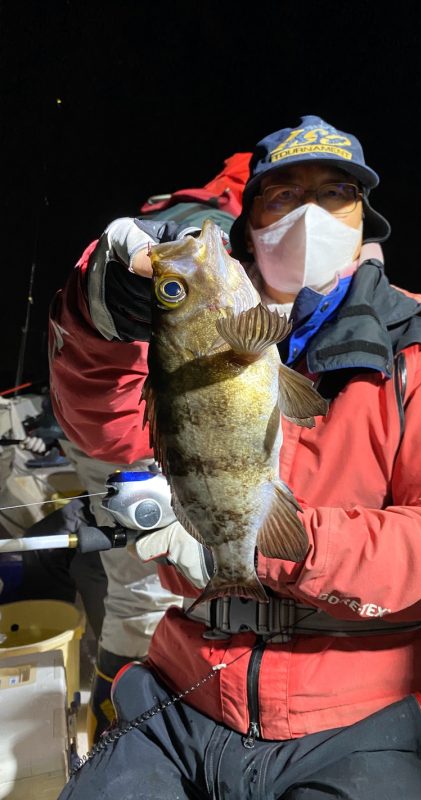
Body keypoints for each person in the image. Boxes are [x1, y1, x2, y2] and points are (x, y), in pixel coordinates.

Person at [59, 116, 421, 799]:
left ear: (365, 223)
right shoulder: (193, 329)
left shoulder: (416, 355)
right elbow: (103, 426)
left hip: (363, 715)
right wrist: (101, 312)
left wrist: (282, 547)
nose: (310, 213)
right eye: (281, 195)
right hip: (184, 693)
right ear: (248, 224)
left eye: (336, 193)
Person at [47, 153, 251, 742]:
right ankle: (125, 727)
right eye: (281, 195)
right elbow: (105, 412)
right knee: (146, 588)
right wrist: (96, 307)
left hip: (159, 432)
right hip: (141, 445)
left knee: (150, 591)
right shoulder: (192, 234)